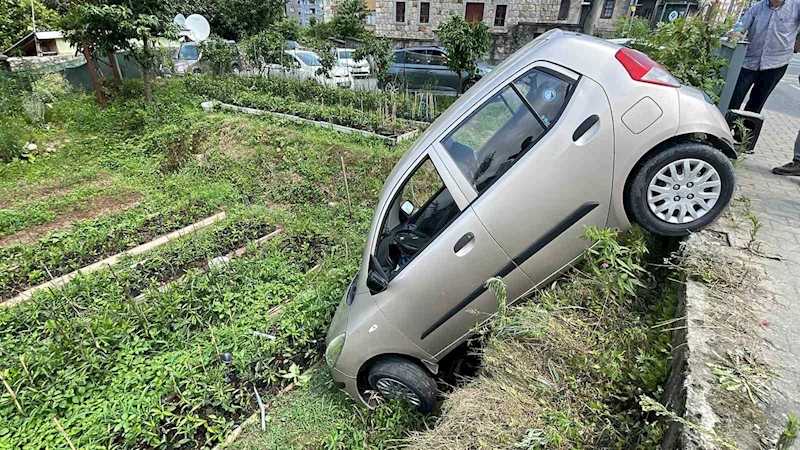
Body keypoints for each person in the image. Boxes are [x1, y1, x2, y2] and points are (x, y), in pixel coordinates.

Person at [729, 0, 800, 114]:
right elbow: (740, 26)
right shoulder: (757, 8)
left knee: (756, 104)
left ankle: (745, 131)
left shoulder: (796, 6)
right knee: (734, 99)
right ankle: (727, 127)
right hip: (749, 62)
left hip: (776, 63)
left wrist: (797, 45)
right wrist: (735, 34)